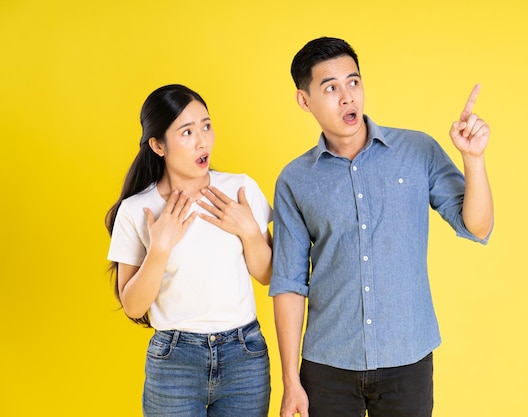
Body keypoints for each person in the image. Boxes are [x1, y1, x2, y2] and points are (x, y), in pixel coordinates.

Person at [269, 37, 494, 417]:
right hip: (328, 366)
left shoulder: (417, 150)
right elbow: (289, 283)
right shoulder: (295, 180)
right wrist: (291, 380)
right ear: (304, 100)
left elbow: (478, 226)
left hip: (407, 359)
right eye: (331, 87)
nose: (347, 97)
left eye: (353, 82)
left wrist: (474, 160)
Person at [105, 84, 273, 417]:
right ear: (158, 145)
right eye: (187, 131)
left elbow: (268, 275)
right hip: (175, 361)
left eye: (206, 126)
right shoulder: (138, 210)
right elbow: (133, 305)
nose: (202, 141)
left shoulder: (240, 189)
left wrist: (250, 231)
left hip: (245, 355)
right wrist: (160, 248)